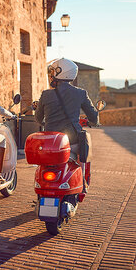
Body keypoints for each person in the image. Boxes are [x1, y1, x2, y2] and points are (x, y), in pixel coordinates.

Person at [34, 58, 99, 192]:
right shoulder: (81, 93)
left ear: (59, 73)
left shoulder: (46, 95)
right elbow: (93, 116)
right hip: (71, 141)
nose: (51, 75)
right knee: (83, 144)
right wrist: (94, 121)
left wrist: (47, 124)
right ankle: (82, 183)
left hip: (50, 142)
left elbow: (38, 118)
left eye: (52, 72)